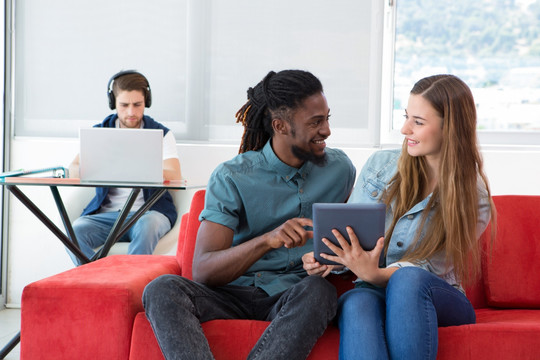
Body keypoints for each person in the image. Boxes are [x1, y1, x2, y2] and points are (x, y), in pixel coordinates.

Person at [142, 69, 356, 360]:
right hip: (232, 293)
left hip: (294, 296)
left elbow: (349, 241)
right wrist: (268, 240)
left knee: (321, 291)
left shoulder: (340, 170)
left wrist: (333, 261)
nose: (327, 130)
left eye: (327, 118)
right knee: (162, 289)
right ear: (280, 126)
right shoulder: (233, 176)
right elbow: (203, 270)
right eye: (316, 122)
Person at [303, 74, 496, 359]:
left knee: (408, 280)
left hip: (435, 295)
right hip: (371, 287)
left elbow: (430, 266)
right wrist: (327, 259)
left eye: (418, 122)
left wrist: (377, 273)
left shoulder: (474, 196)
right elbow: (351, 234)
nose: (405, 129)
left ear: (450, 129)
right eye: (407, 117)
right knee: (357, 303)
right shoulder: (381, 166)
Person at [67, 70, 182, 265]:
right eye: (124, 105)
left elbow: (175, 175)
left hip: (149, 214)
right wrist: (96, 168)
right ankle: (98, 282)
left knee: (148, 225)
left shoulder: (161, 134)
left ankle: (131, 286)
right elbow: (74, 168)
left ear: (147, 101)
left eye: (137, 105)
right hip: (107, 216)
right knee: (75, 231)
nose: (131, 112)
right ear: (113, 103)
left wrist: (140, 168)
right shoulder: (100, 133)